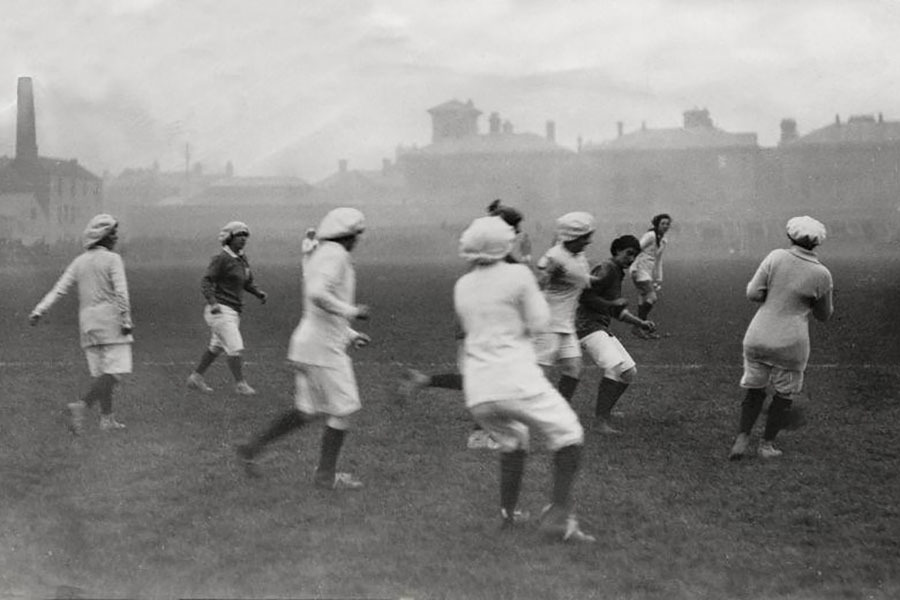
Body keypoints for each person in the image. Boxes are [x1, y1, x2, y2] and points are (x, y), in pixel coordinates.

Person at [453, 215, 594, 542]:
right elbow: (539, 320)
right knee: (570, 434)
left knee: (514, 440)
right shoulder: (517, 275)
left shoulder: (463, 284)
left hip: (477, 388)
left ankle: (506, 515)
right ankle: (559, 517)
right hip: (513, 376)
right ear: (505, 244)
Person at [237, 208, 370, 490]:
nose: (358, 241)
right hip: (322, 350)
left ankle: (252, 447)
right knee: (343, 410)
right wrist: (353, 311)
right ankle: (325, 476)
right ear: (348, 236)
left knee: (307, 410)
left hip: (307, 344)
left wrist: (350, 333)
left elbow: (318, 307)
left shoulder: (322, 254)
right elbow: (318, 295)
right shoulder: (336, 256)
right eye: (356, 235)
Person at [398, 200, 531, 450]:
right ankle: (479, 435)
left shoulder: (491, 248)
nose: (517, 233)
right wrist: (526, 256)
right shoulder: (495, 252)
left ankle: (424, 381)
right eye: (515, 228)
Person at [728, 216, 834, 460]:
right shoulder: (822, 274)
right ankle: (766, 445)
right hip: (791, 342)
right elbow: (824, 315)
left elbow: (753, 293)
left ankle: (742, 438)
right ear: (817, 244)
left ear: (790, 236)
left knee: (754, 389)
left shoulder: (775, 257)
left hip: (758, 334)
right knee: (784, 395)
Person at [28, 214, 133, 434]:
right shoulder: (113, 259)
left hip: (87, 324)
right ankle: (81, 406)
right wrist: (125, 319)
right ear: (102, 236)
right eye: (112, 233)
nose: (115, 237)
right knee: (115, 372)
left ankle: (107, 419)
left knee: (101, 374)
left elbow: (59, 289)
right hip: (110, 320)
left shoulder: (79, 261)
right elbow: (121, 293)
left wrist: (39, 310)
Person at [575, 235, 657, 434]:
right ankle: (599, 421)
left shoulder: (617, 272)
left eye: (634, 256)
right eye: (628, 254)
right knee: (616, 367)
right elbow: (585, 296)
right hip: (586, 326)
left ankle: (604, 413)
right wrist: (610, 305)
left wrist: (641, 323)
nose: (631, 259)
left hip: (600, 327)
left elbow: (615, 310)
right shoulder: (607, 268)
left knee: (629, 372)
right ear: (616, 250)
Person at [186, 221, 268, 396]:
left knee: (216, 347)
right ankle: (241, 384)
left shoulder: (242, 259)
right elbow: (207, 281)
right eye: (239, 236)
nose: (243, 240)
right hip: (220, 310)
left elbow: (246, 281)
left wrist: (258, 292)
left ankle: (196, 378)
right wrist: (213, 302)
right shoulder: (221, 258)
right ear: (229, 238)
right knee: (234, 346)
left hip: (233, 311)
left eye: (245, 236)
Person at [533, 212, 596, 403]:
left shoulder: (576, 253)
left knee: (574, 368)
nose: (588, 242)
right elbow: (539, 283)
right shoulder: (555, 258)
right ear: (573, 237)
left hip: (565, 324)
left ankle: (558, 412)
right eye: (585, 238)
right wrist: (547, 275)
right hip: (547, 324)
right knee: (537, 375)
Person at [629, 213, 672, 339]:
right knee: (652, 297)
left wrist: (659, 278)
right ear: (657, 224)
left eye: (667, 224)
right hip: (639, 269)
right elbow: (636, 249)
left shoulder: (664, 240)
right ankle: (638, 326)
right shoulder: (650, 235)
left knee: (643, 299)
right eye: (663, 223)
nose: (665, 226)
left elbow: (659, 260)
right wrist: (634, 267)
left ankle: (640, 328)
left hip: (647, 271)